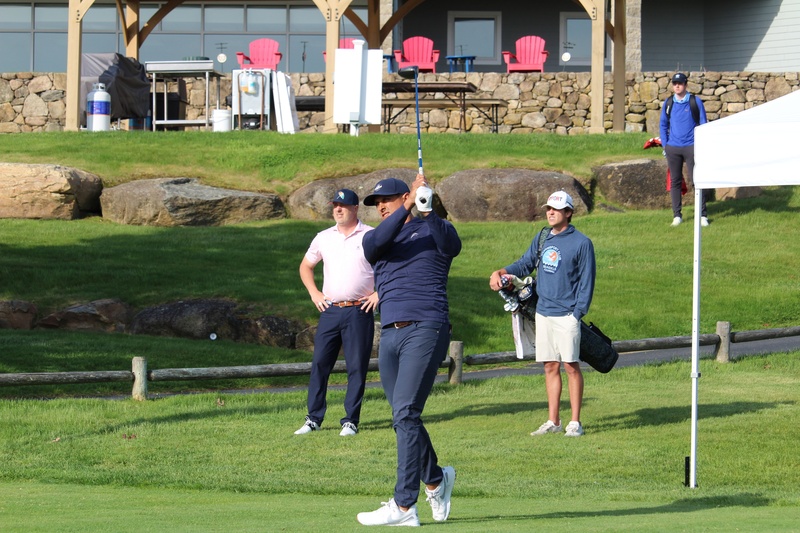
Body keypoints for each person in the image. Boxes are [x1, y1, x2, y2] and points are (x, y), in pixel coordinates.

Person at [356, 175, 461, 527]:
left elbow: (452, 245)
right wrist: (405, 207)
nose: (380, 207)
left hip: (426, 326)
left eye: (386, 200)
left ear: (405, 196)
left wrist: (425, 207)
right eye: (376, 204)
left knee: (404, 412)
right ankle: (435, 479)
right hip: (389, 334)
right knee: (405, 416)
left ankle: (404, 506)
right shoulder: (376, 238)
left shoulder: (434, 229)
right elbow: (375, 244)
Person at [489, 191, 595, 438]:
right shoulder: (543, 237)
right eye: (548, 208)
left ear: (568, 212)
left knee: (571, 366)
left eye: (556, 209)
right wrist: (501, 271)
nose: (550, 212)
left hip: (567, 315)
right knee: (550, 366)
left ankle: (575, 422)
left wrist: (577, 313)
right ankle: (553, 421)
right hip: (543, 312)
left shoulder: (582, 243)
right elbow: (524, 264)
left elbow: (587, 283)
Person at [294, 188, 379, 437]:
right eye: (335, 206)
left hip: (359, 310)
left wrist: (378, 294)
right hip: (330, 310)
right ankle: (313, 418)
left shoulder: (371, 235)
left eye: (343, 206)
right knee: (320, 364)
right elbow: (306, 266)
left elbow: (390, 268)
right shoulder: (323, 237)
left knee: (356, 367)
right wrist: (314, 293)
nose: (338, 210)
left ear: (355, 208)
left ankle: (350, 421)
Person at [659, 72, 710, 227]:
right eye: (675, 83)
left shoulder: (695, 101)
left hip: (691, 147)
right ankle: (677, 215)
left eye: (680, 83)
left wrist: (701, 145)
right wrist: (666, 145)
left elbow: (703, 123)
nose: (677, 86)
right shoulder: (669, 103)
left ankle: (702, 215)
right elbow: (663, 124)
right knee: (675, 181)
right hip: (673, 148)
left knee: (697, 181)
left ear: (685, 85)